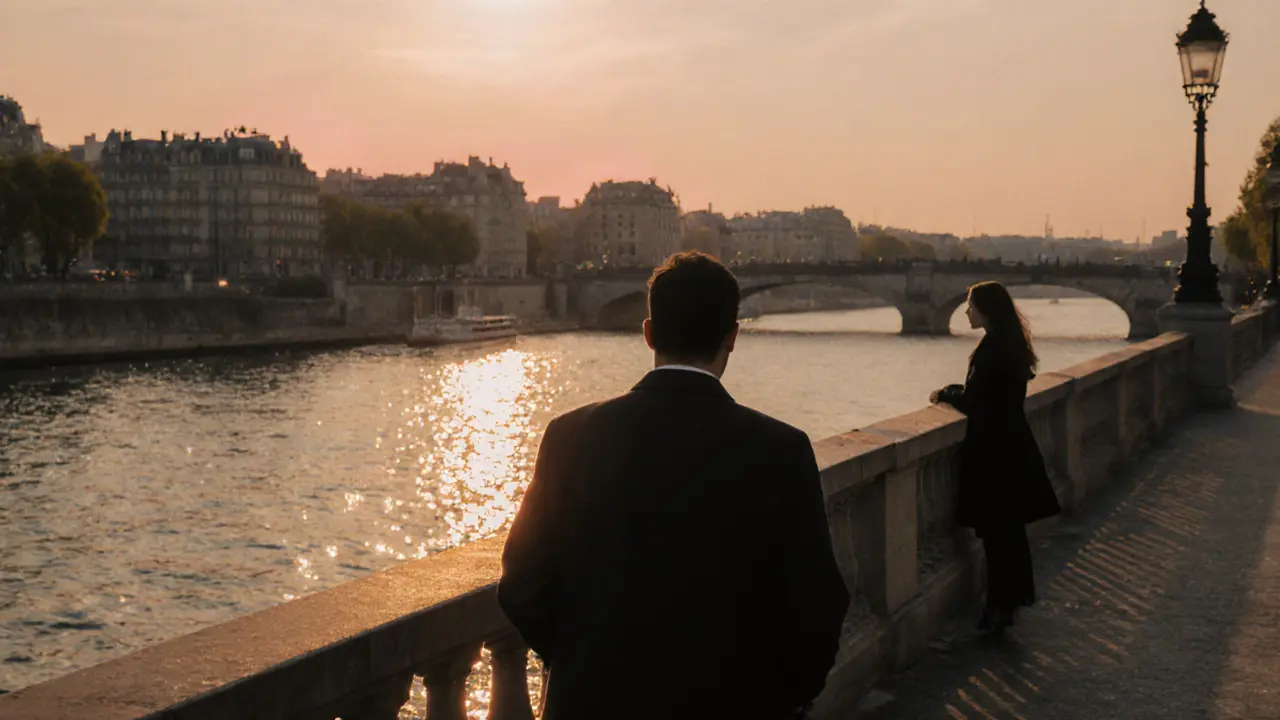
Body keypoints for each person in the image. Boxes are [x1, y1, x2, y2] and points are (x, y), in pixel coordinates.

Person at [499, 251, 850, 719]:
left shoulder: (568, 435)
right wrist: (783, 694)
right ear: (732, 337)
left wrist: (584, 660)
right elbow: (816, 600)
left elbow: (522, 585)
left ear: (648, 333)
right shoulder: (780, 449)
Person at [930, 281, 1061, 631]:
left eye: (971, 305)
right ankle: (1009, 603)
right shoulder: (1011, 344)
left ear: (986, 309)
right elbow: (988, 393)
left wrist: (945, 394)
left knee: (996, 536)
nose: (966, 311)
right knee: (1009, 534)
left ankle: (999, 608)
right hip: (1013, 446)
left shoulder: (991, 348)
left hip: (994, 453)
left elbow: (976, 401)